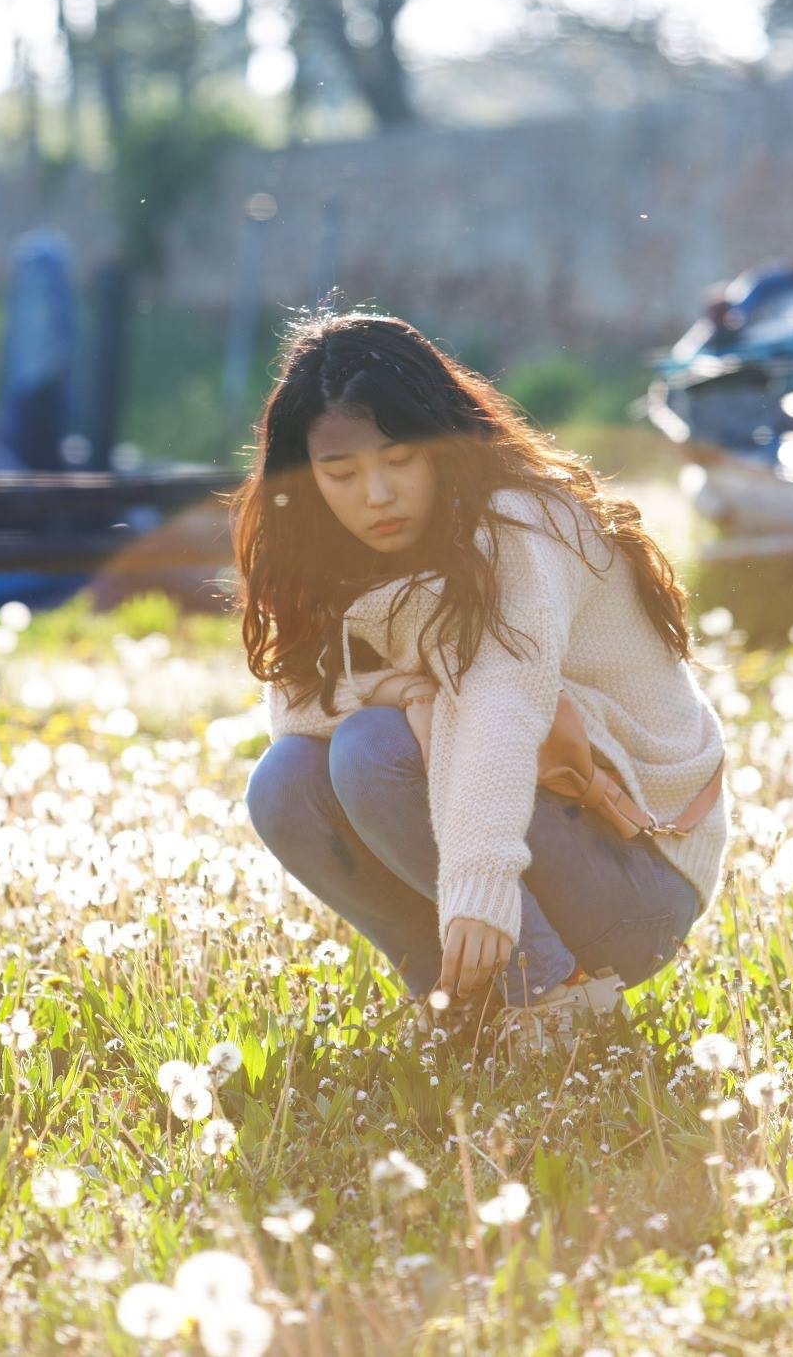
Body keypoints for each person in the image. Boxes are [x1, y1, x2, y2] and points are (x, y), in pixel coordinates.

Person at [230, 306, 730, 1052]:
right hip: (534, 851)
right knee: (284, 780)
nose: (376, 495)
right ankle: (464, 1002)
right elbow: (296, 710)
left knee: (370, 749)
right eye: (342, 473)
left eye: (399, 460)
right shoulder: (351, 554)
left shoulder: (521, 521)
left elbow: (503, 699)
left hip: (639, 877)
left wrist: (482, 883)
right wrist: (391, 691)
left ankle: (555, 1004)